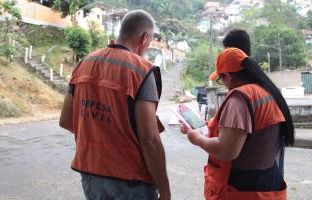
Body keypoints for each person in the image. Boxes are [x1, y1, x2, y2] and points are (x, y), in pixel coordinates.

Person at [59, 10, 170, 200]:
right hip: (130, 178)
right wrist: (166, 193)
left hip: (90, 172)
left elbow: (66, 120)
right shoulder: (140, 70)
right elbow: (150, 140)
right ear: (145, 38)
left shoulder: (85, 63)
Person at [180, 47, 294, 199]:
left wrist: (198, 139)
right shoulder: (267, 92)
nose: (224, 84)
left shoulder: (239, 98)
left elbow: (227, 151)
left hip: (242, 188)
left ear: (228, 76)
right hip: (268, 182)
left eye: (222, 79)